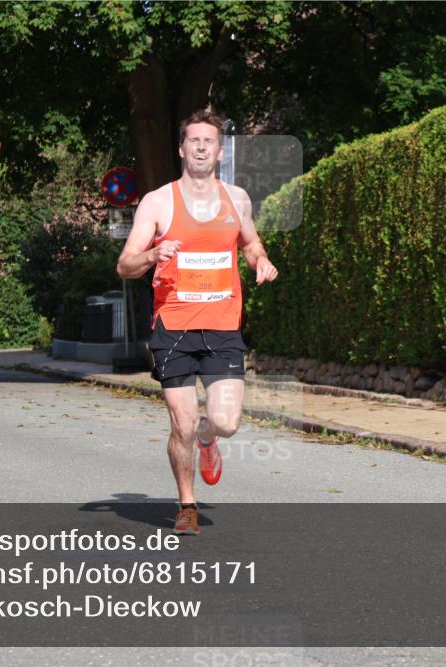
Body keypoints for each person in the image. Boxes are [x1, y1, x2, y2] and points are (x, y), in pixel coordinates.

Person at [116, 110, 279, 535]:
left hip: (223, 325)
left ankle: (209, 442)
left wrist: (260, 260)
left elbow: (250, 242)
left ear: (219, 151)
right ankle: (186, 505)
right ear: (182, 149)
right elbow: (125, 264)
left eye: (209, 141)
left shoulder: (237, 199)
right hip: (173, 326)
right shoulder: (158, 202)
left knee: (225, 422)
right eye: (194, 141)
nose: (202, 147)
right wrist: (152, 255)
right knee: (181, 424)